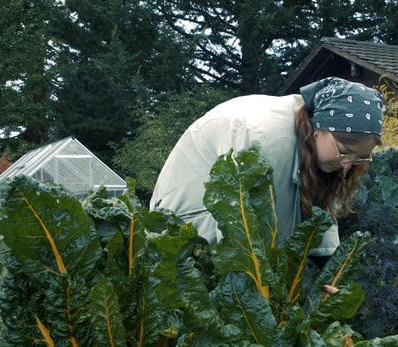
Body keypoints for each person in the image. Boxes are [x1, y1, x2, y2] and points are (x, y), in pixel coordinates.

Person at [150, 77, 384, 259]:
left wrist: (330, 270)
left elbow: (318, 217)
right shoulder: (269, 144)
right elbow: (255, 239)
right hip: (185, 222)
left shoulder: (317, 148)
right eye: (343, 150)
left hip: (228, 216)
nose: (347, 165)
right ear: (318, 128)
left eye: (360, 157)